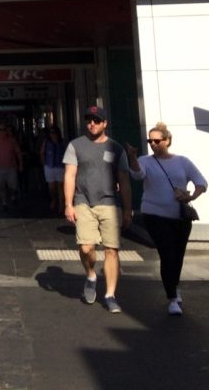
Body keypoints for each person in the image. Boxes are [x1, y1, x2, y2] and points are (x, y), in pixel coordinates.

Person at [126, 122, 208, 315]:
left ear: (167, 140)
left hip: (179, 217)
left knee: (177, 256)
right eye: (150, 141)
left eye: (157, 140)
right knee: (167, 253)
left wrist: (190, 196)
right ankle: (172, 297)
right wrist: (132, 157)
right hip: (154, 215)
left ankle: (175, 287)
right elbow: (138, 174)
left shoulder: (182, 162)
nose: (153, 144)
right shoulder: (145, 160)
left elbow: (201, 182)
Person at [63, 105, 132, 314]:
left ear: (105, 123)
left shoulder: (115, 148)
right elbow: (69, 175)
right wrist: (68, 204)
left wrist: (128, 210)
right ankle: (91, 274)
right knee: (86, 248)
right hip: (83, 201)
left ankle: (110, 294)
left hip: (110, 203)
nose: (91, 123)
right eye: (89, 120)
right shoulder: (76, 145)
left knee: (111, 250)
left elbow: (124, 180)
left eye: (96, 120)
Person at [0, 124, 22, 209]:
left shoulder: (12, 140)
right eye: (1, 130)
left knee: (13, 185)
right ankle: (4, 203)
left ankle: (13, 195)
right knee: (0, 186)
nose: (2, 132)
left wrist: (21, 163)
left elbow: (18, 152)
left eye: (4, 130)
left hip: (12, 167)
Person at [40, 125, 66, 214]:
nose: (52, 134)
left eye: (54, 132)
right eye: (51, 133)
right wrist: (44, 164)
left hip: (60, 166)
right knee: (52, 187)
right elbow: (42, 152)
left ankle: (61, 205)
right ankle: (54, 199)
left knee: (61, 186)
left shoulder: (62, 142)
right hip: (49, 166)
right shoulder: (47, 142)